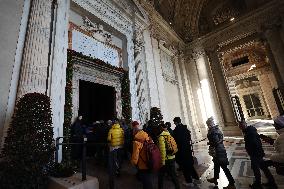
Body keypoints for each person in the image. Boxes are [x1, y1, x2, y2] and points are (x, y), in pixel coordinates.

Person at [239, 120, 277, 189]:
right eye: (239, 126)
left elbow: (254, 143)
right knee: (264, 167)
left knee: (256, 168)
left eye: (241, 126)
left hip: (255, 154)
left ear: (244, 125)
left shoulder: (249, 133)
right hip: (258, 153)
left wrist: (251, 150)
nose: (240, 127)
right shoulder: (250, 131)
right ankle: (271, 182)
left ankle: (258, 184)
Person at [206, 117, 235, 189]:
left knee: (224, 168)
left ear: (210, 123)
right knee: (216, 165)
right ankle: (215, 179)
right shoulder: (216, 129)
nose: (208, 125)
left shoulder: (213, 131)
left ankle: (232, 184)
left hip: (218, 151)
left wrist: (209, 143)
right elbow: (220, 139)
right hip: (219, 150)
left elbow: (216, 142)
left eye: (208, 124)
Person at [173, 117, 200, 187]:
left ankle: (189, 182)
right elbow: (188, 138)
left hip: (182, 152)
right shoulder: (185, 128)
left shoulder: (176, 130)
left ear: (175, 122)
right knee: (190, 165)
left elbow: (176, 142)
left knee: (184, 167)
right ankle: (196, 178)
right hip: (188, 150)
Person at [131, 121, 154, 189]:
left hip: (143, 162)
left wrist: (134, 162)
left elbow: (136, 154)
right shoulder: (146, 135)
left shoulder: (136, 141)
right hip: (150, 160)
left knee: (146, 181)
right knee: (148, 179)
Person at [157, 123, 180, 189]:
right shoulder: (169, 135)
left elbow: (162, 150)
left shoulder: (161, 137)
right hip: (172, 157)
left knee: (161, 176)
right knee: (173, 175)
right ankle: (178, 187)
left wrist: (163, 161)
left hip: (166, 159)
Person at [107, 119, 124, 189]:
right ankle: (118, 171)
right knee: (118, 159)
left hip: (113, 147)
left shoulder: (111, 130)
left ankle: (113, 171)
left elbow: (109, 139)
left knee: (113, 160)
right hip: (120, 146)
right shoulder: (121, 130)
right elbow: (123, 138)